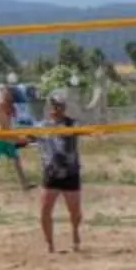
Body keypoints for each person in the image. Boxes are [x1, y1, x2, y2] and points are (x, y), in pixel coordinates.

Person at [37, 97, 84, 252]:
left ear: (64, 108)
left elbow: (85, 131)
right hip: (51, 173)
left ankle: (75, 233)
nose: (56, 109)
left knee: (75, 211)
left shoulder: (72, 123)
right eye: (54, 106)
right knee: (44, 210)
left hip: (70, 172)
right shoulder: (42, 126)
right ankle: (49, 244)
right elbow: (24, 138)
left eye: (59, 106)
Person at [0, 79, 32, 190]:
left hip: (7, 138)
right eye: (6, 92)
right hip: (0, 139)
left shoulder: (10, 106)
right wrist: (19, 139)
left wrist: (18, 137)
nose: (9, 94)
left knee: (16, 160)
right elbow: (3, 125)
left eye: (9, 92)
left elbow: (11, 124)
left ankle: (24, 184)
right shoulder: (0, 106)